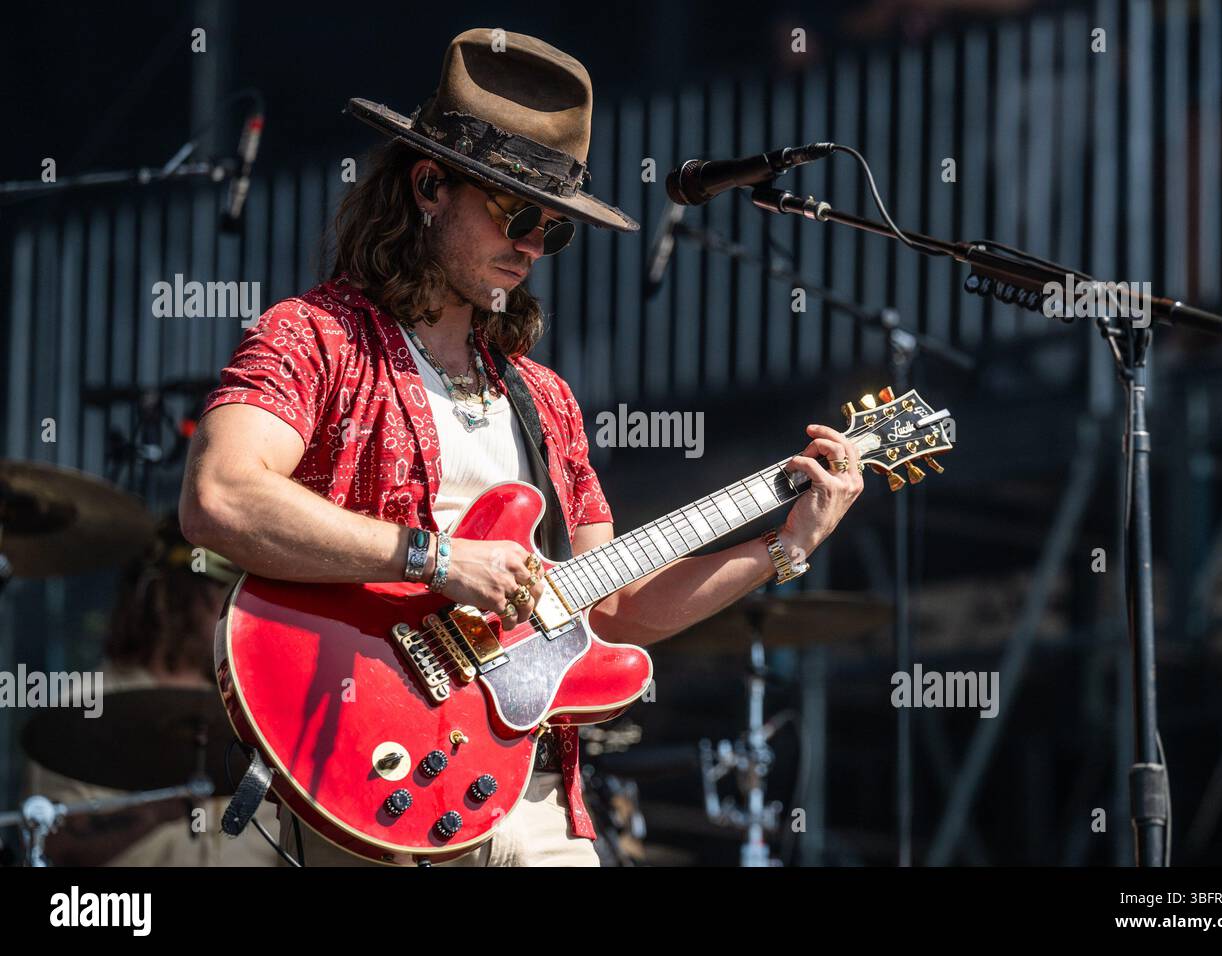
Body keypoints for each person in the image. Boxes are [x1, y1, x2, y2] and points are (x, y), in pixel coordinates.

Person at [179, 27, 865, 867]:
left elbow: (615, 607)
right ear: (429, 184)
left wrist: (782, 547)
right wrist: (436, 561)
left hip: (533, 791)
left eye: (554, 229)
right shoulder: (315, 337)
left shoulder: (544, 399)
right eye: (516, 214)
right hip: (370, 770)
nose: (533, 246)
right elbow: (219, 496)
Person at [24, 517, 280, 866]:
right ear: (176, 595)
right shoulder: (84, 702)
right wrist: (157, 812)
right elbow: (57, 847)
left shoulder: (258, 711)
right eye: (226, 595)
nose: (242, 613)